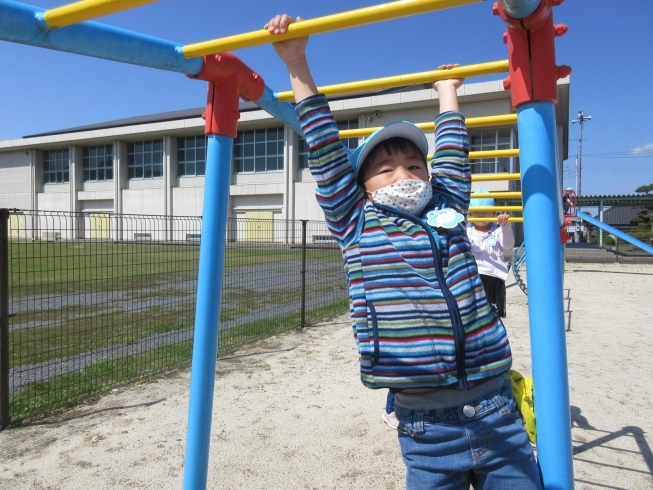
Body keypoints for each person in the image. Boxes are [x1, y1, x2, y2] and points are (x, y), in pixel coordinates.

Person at [266, 14, 541, 489]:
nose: (405, 175)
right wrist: (297, 63)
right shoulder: (357, 222)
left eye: (414, 165)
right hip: (426, 425)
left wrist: (447, 91)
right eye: (386, 169)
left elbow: (452, 157)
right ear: (361, 188)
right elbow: (326, 153)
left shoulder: (447, 211)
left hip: (497, 407)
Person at [467, 189, 515, 317]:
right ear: (470, 214)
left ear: (493, 213)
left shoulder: (498, 231)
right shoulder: (468, 232)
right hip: (473, 277)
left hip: (494, 277)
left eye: (485, 211)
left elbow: (508, 245)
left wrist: (505, 226)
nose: (481, 215)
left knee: (491, 316)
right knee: (472, 314)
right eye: (477, 212)